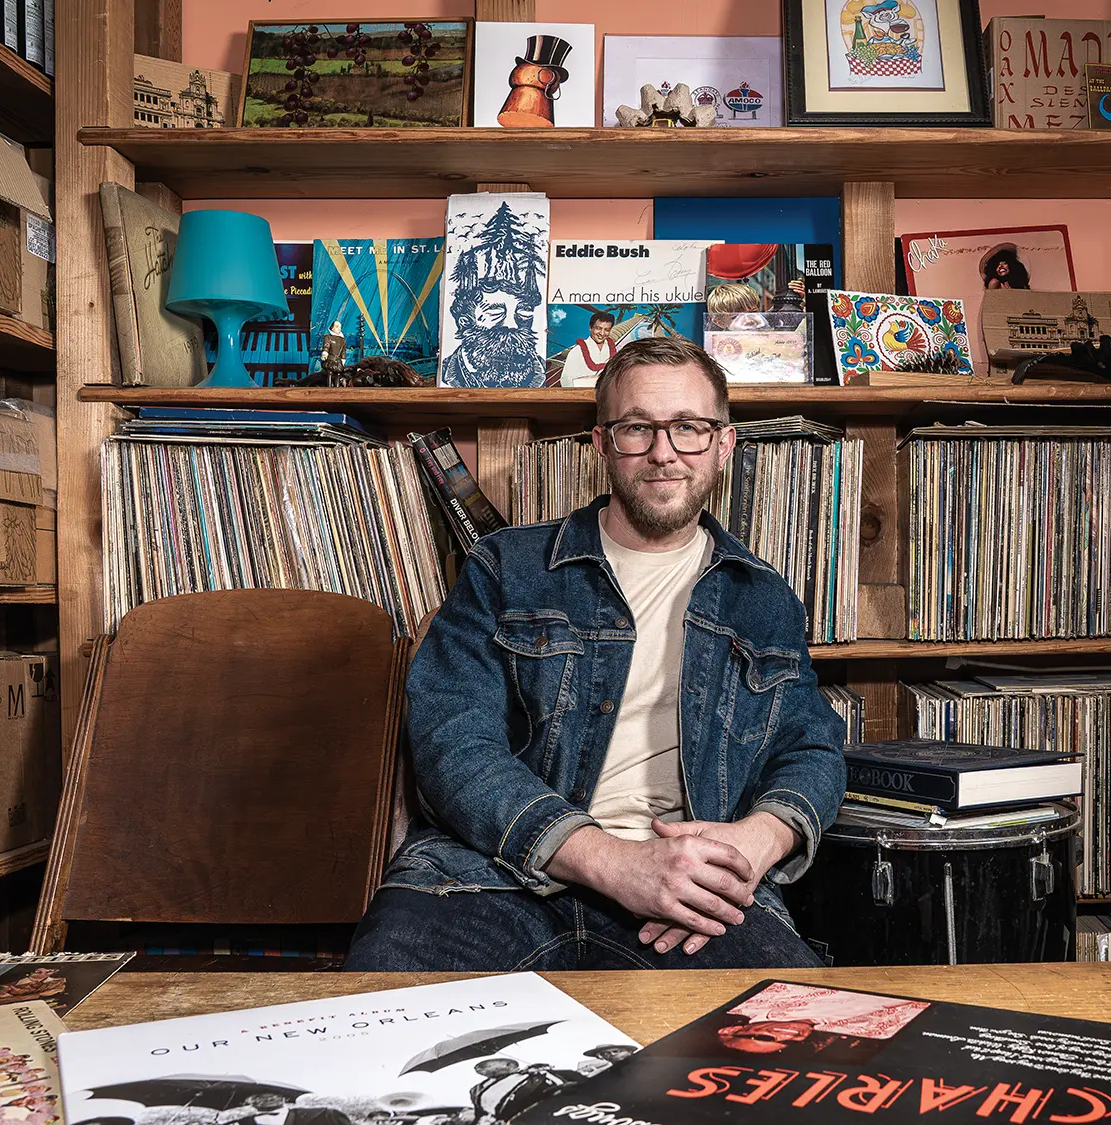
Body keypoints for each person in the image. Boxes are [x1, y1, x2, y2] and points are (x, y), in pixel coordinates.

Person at [345, 336, 846, 971]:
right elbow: (452, 744)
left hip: (692, 889)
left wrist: (759, 840)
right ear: (601, 443)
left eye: (688, 427)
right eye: (637, 427)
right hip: (492, 876)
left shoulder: (764, 599)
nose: (663, 452)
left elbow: (812, 747)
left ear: (723, 444)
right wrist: (612, 862)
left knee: (799, 1024)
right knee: (380, 1007)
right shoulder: (507, 568)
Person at [559, 313, 618, 388]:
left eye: (607, 330)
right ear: (590, 327)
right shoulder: (577, 351)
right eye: (598, 328)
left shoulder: (615, 351)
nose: (602, 333)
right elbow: (566, 381)